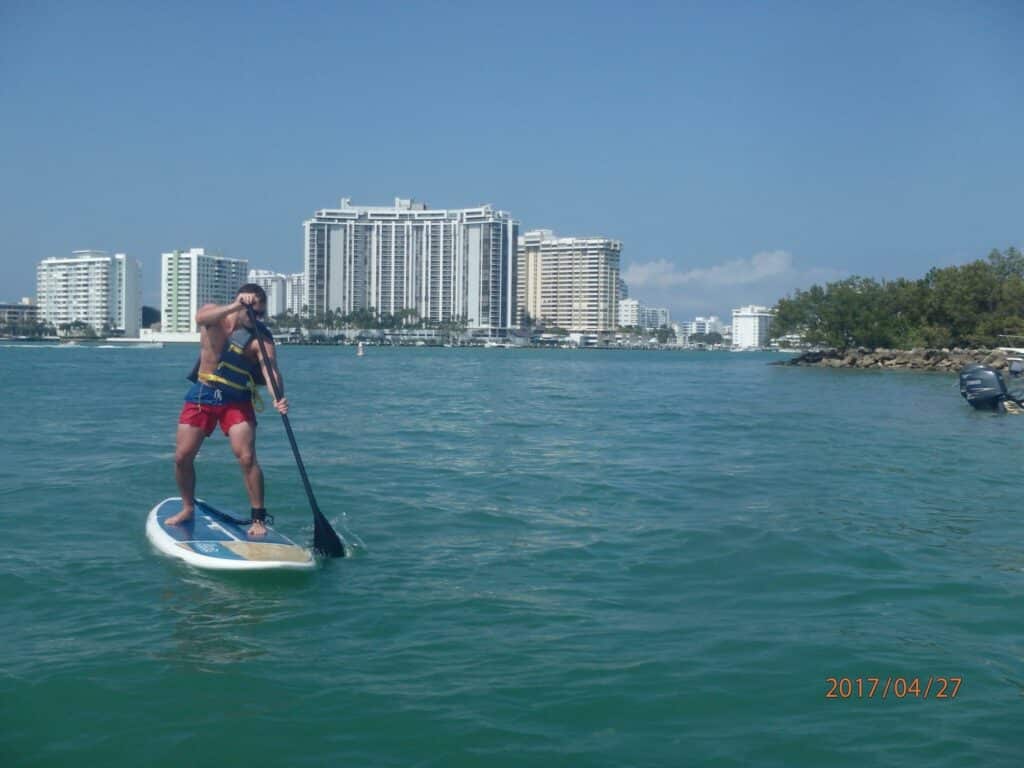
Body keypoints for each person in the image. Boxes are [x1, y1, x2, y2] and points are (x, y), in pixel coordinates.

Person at [165, 284, 288, 536]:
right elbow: (200, 317)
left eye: (261, 314)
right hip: (203, 393)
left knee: (246, 457)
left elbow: (270, 369)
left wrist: (279, 398)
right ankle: (188, 507)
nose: (257, 319)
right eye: (253, 313)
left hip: (236, 398)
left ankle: (258, 519)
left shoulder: (260, 339)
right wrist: (235, 306)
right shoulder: (215, 317)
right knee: (182, 456)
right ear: (240, 304)